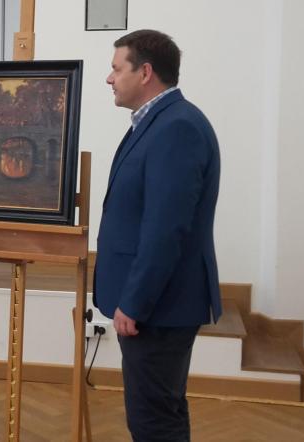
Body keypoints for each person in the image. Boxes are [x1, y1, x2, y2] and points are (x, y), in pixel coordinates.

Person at [94, 30, 221, 441]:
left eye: (116, 68)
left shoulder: (176, 128)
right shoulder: (158, 122)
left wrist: (136, 300)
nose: (109, 78)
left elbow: (166, 228)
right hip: (156, 304)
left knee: (153, 423)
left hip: (158, 306)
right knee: (158, 413)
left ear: (145, 72)